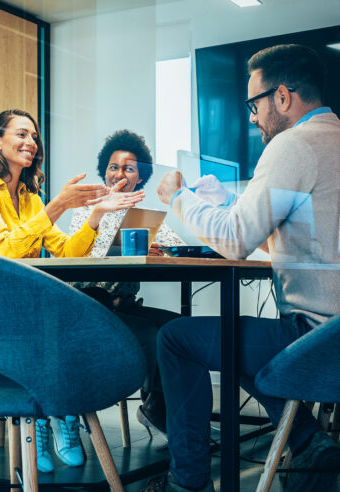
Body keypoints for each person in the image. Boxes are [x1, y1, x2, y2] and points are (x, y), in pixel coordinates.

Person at [151, 44, 340, 492]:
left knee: (177, 339)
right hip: (331, 334)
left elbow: (236, 241)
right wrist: (231, 204)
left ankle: (187, 483)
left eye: (253, 103)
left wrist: (179, 199)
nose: (252, 117)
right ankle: (307, 440)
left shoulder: (293, 144)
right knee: (234, 335)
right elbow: (304, 223)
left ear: (282, 97)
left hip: (317, 340)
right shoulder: (331, 138)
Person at [0, 109, 145, 473]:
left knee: (88, 306)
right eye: (21, 134)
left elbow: (67, 251)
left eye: (34, 137)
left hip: (27, 303)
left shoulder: (30, 198)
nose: (31, 142)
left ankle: (56, 412)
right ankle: (54, 413)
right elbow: (5, 250)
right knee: (67, 316)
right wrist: (58, 204)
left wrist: (94, 215)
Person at [68, 130, 185, 438]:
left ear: (139, 177)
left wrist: (162, 249)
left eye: (128, 168)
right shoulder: (87, 209)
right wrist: (130, 249)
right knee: (151, 334)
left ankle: (163, 409)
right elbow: (87, 256)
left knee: (180, 328)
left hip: (126, 306)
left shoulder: (143, 215)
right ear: (104, 171)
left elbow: (176, 248)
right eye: (113, 167)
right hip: (90, 306)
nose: (119, 173)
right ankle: (156, 411)